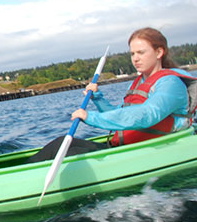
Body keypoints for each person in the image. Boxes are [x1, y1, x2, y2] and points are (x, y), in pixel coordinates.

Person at [28, 27, 197, 163]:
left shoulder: (170, 83)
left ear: (159, 52)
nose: (135, 59)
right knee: (60, 143)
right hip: (127, 149)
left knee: (72, 155)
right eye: (132, 54)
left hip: (148, 153)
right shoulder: (139, 82)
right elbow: (122, 113)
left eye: (141, 52)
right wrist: (98, 98)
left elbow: (147, 115)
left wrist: (91, 118)